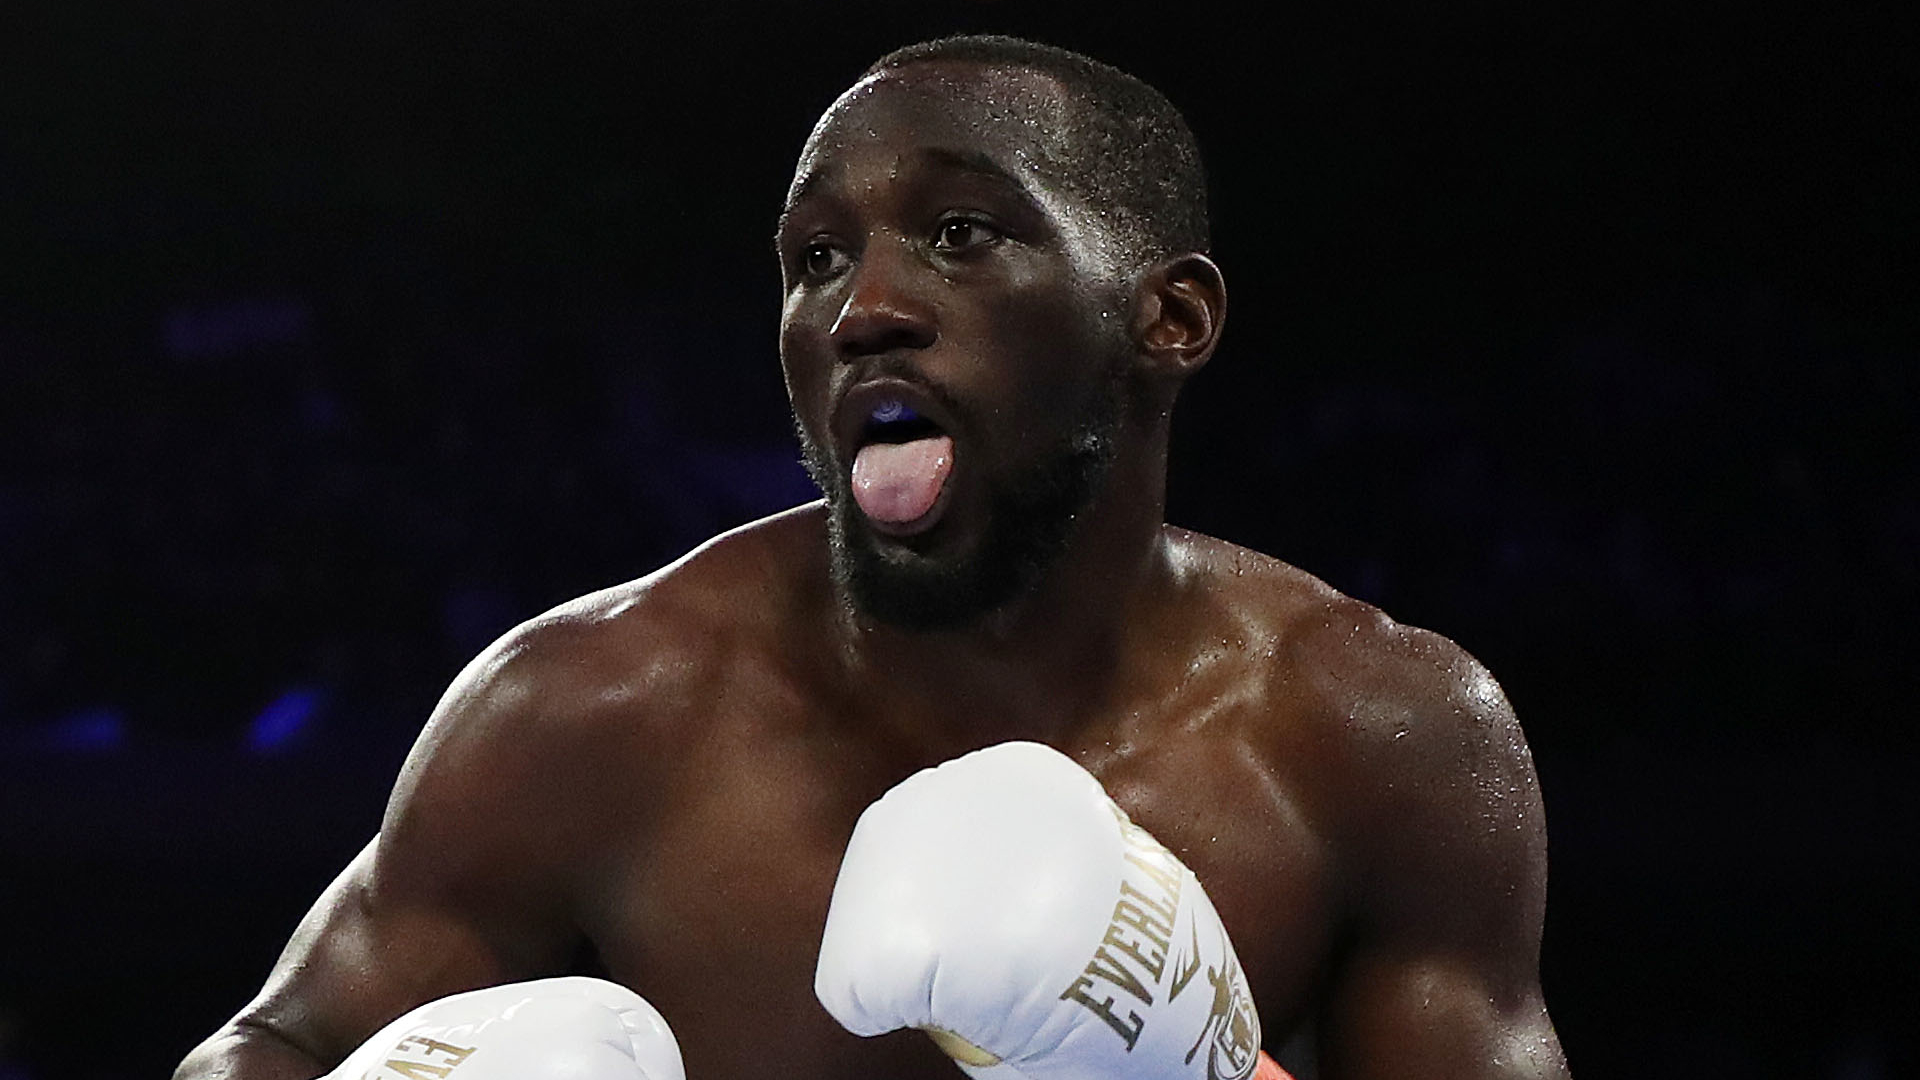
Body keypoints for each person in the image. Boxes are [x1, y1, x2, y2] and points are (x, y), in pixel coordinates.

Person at [175, 34, 1569, 1080]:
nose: (864, 309)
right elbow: (271, 1046)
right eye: (817, 257)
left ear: (1172, 319)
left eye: (961, 234)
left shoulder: (1379, 733)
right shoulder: (593, 708)